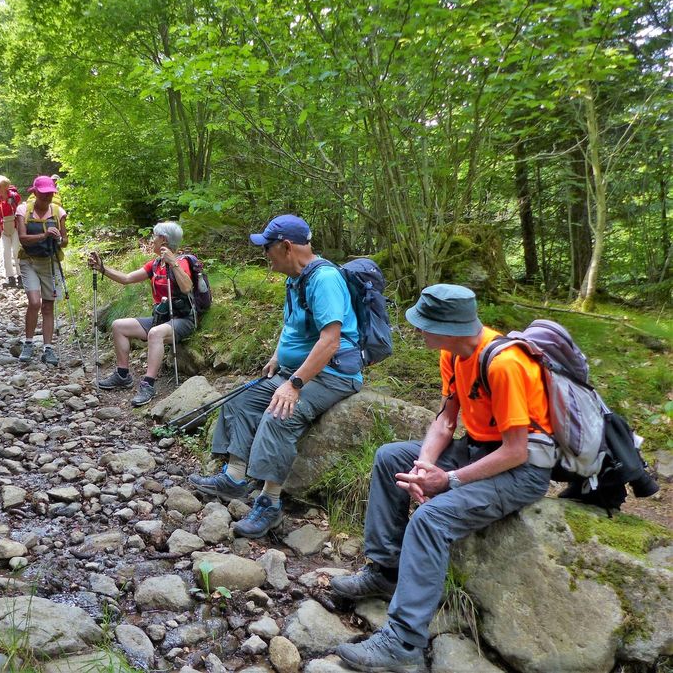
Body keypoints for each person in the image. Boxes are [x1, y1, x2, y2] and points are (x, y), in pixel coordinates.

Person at [325, 284, 555, 673]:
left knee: (431, 519)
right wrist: (422, 468)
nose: (418, 331)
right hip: (478, 449)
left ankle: (403, 643)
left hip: (522, 470)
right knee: (389, 458)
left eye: (423, 324)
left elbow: (516, 450)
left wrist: (448, 481)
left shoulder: (505, 365)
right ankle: (385, 571)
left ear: (449, 326)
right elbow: (447, 420)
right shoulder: (453, 353)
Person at [188, 215, 362, 538]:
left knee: (279, 412)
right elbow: (293, 326)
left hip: (334, 374)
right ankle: (235, 478)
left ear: (286, 247)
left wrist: (294, 384)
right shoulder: (295, 279)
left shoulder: (324, 280)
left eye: (267, 248)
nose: (264, 254)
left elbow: (331, 340)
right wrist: (277, 357)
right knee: (240, 399)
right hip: (298, 370)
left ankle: (270, 504)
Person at [87, 221, 195, 406]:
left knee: (155, 333)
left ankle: (148, 384)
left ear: (163, 240)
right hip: (160, 318)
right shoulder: (155, 264)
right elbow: (127, 279)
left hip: (183, 320)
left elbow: (186, 288)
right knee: (119, 326)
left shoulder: (182, 262)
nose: (152, 240)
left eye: (155, 237)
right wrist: (102, 269)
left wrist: (173, 263)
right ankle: (122, 375)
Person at [15, 175, 68, 366]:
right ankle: (28, 343)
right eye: (43, 193)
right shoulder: (23, 210)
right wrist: (45, 234)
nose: (47, 197)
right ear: (35, 192)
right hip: (29, 261)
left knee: (48, 306)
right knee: (35, 302)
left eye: (50, 193)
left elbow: (65, 240)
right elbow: (22, 237)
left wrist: (59, 240)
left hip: (50, 262)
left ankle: (48, 348)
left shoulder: (58, 212)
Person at [0, 175, 22, 288]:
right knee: (6, 252)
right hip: (3, 227)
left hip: (15, 226)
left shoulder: (15, 197)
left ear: (6, 187)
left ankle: (20, 276)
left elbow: (20, 212)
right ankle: (10, 278)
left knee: (16, 251)